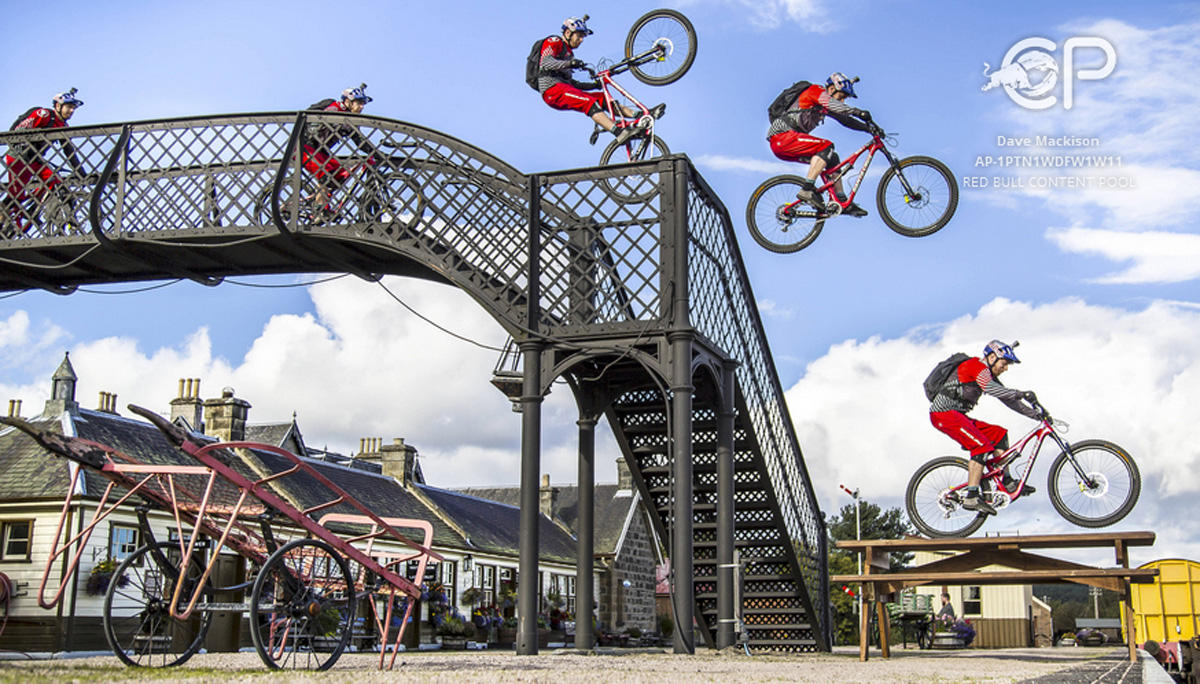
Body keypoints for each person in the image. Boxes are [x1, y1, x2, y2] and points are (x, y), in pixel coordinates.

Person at [929, 340, 1041, 515]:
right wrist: (1021, 393)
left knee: (999, 434)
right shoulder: (975, 366)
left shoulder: (987, 374)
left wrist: (1037, 415)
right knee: (981, 445)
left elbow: (1009, 400)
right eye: (1004, 364)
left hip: (957, 415)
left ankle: (1007, 481)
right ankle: (972, 496)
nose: (1006, 369)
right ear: (991, 357)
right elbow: (992, 389)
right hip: (943, 414)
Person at [534, 16, 662, 147]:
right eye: (579, 36)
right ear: (568, 33)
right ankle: (620, 133)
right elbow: (545, 62)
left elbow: (574, 84)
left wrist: (594, 85)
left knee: (602, 99)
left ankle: (640, 115)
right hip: (552, 90)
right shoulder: (554, 41)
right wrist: (570, 63)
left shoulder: (568, 53)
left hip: (563, 88)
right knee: (589, 102)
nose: (581, 40)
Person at [766, 73, 873, 217]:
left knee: (832, 158)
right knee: (826, 146)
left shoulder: (822, 105)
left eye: (844, 99)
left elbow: (846, 120)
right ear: (831, 89)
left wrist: (869, 129)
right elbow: (834, 105)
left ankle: (840, 199)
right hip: (782, 136)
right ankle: (807, 189)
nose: (842, 101)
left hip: (790, 141)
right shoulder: (815, 91)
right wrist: (857, 111)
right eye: (841, 96)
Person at [3, 88, 87, 235]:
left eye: (73, 108)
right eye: (69, 107)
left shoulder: (63, 127)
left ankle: (39, 211)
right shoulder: (44, 115)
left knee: (56, 182)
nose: (72, 111)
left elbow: (69, 151)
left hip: (35, 159)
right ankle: (7, 216)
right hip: (19, 157)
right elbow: (20, 128)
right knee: (17, 196)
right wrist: (26, 143)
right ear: (58, 106)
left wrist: (81, 172)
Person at [302, 83, 375, 215]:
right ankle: (320, 208)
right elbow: (334, 121)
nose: (362, 107)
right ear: (348, 101)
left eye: (363, 104)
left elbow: (358, 139)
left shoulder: (349, 119)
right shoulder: (334, 108)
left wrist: (375, 152)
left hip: (320, 151)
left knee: (339, 176)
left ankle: (320, 200)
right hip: (306, 147)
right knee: (324, 175)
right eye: (358, 103)